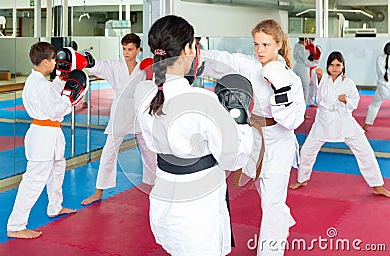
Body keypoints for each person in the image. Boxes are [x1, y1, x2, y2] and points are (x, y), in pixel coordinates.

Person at [134, 15, 254, 255]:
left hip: (164, 198)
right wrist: (239, 118)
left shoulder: (142, 92)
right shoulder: (202, 100)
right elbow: (234, 158)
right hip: (198, 208)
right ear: (189, 49)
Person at [201, 20, 305, 256]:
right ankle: (283, 221)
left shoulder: (293, 80)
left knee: (272, 204)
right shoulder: (248, 66)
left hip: (280, 144)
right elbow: (222, 60)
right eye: (256, 44)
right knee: (265, 192)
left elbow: (293, 122)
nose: (259, 50)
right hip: (255, 139)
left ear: (278, 44)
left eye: (266, 45)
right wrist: (191, 55)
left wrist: (281, 92)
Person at [290, 51, 390, 197]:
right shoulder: (323, 78)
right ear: (328, 66)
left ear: (343, 66)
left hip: (344, 121)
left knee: (365, 151)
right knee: (307, 151)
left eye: (338, 65)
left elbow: (355, 102)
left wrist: (346, 101)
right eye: (331, 65)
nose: (335, 68)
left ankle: (377, 184)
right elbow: (316, 90)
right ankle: (302, 179)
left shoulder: (348, 83)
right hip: (323, 121)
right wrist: (318, 76)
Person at [6, 42, 80, 239]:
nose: (56, 62)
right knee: (34, 180)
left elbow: (51, 93)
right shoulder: (38, 84)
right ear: (46, 61)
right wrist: (70, 98)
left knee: (57, 171)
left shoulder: (39, 81)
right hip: (43, 135)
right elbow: (55, 109)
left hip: (51, 134)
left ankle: (55, 207)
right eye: (54, 60)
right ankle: (16, 225)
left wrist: (61, 80)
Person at [81, 33, 157, 205]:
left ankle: (155, 185)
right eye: (124, 49)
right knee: (108, 152)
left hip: (139, 112)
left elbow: (155, 85)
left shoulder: (145, 69)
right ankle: (99, 191)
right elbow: (102, 66)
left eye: (130, 49)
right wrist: (91, 63)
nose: (126, 53)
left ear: (138, 50)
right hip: (120, 113)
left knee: (150, 152)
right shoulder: (116, 67)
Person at [363, 42, 390, 131]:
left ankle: (366, 126)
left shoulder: (380, 59)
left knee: (374, 106)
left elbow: (379, 73)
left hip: (382, 88)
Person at [68, 40, 93, 108]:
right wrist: (90, 49)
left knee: (69, 90)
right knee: (84, 88)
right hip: (77, 75)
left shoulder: (68, 54)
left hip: (68, 74)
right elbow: (84, 51)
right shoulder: (78, 53)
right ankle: (84, 103)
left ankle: (71, 104)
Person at [293, 37, 316, 103]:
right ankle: (303, 107)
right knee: (305, 88)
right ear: (306, 39)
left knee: (296, 88)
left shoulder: (296, 46)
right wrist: (313, 59)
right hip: (303, 69)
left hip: (296, 67)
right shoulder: (303, 48)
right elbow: (306, 61)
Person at [305, 38, 321, 107]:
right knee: (306, 86)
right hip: (307, 69)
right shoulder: (305, 48)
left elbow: (317, 60)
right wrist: (309, 58)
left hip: (314, 70)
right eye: (309, 40)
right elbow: (305, 61)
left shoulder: (316, 49)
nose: (310, 41)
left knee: (315, 87)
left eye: (311, 40)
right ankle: (305, 102)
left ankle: (313, 101)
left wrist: (314, 58)